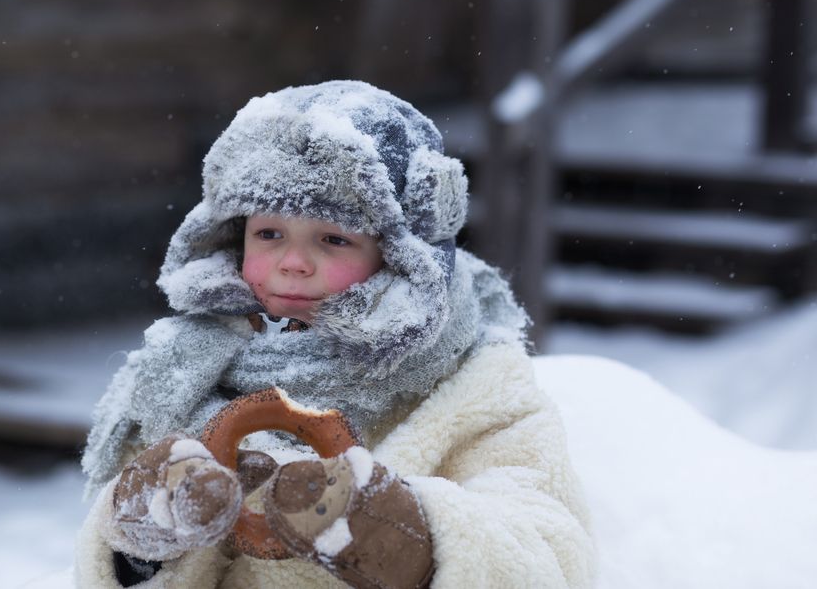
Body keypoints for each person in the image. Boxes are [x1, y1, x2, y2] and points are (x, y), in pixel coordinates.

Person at [73, 80, 596, 588]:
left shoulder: (475, 379)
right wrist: (141, 547)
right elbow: (107, 570)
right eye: (269, 233)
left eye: (334, 238)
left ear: (398, 256)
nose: (294, 263)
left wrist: (417, 546)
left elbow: (550, 548)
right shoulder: (180, 373)